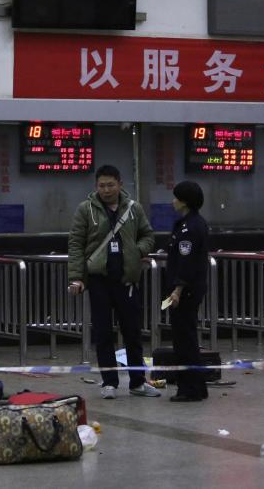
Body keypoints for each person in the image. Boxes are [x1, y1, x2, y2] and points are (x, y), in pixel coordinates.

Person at [68, 165, 161, 399]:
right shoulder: (85, 210)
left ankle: (138, 382)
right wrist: (76, 277)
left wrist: (135, 251)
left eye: (110, 185)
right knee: (103, 333)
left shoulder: (133, 208)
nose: (106, 190)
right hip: (99, 280)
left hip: (126, 280)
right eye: (102, 186)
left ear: (120, 184)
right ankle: (109, 382)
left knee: (132, 332)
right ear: (96, 187)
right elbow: (76, 244)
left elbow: (148, 236)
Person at [164, 181, 210, 402]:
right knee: (187, 338)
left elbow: (186, 261)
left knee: (185, 340)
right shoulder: (188, 224)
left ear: (184, 201)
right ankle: (197, 386)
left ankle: (189, 388)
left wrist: (177, 290)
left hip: (186, 291)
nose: (173, 201)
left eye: (176, 197)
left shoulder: (190, 227)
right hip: (188, 289)